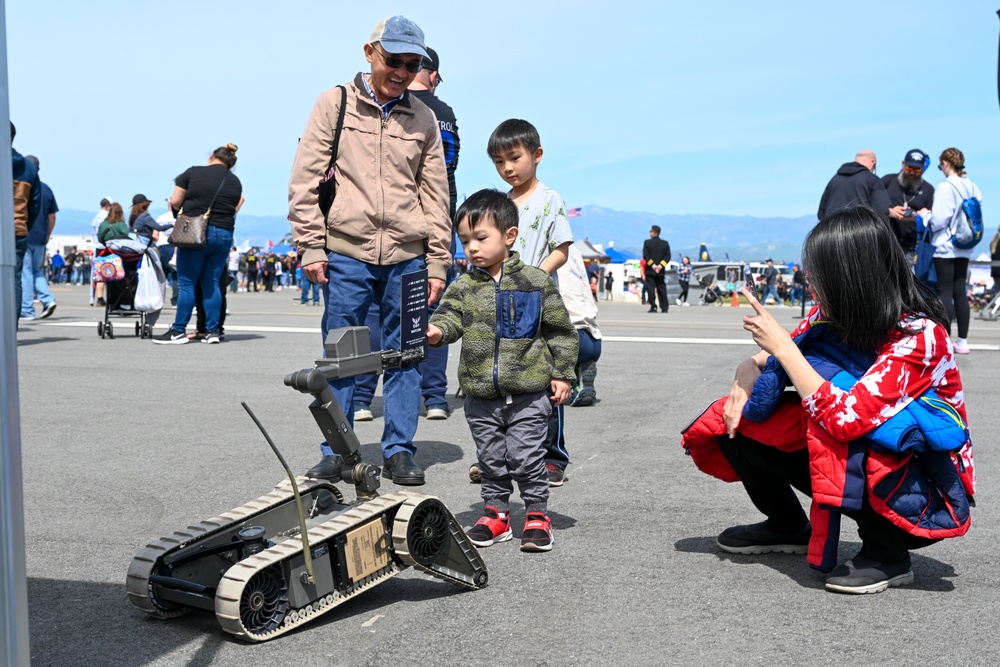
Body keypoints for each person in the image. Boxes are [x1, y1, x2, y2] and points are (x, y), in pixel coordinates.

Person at [682, 206, 974, 595]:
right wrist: (745, 370)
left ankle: (888, 553)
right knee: (733, 422)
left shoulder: (919, 337)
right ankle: (787, 525)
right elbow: (774, 357)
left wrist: (784, 350)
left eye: (819, 277)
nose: (812, 286)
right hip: (864, 454)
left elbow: (847, 418)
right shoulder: (833, 315)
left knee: (873, 438)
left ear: (854, 279)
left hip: (925, 491)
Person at [288, 16, 450, 486]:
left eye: (411, 63)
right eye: (392, 60)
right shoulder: (333, 102)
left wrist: (438, 259)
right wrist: (311, 247)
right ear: (369, 52)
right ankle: (336, 452)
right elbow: (305, 179)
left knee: (407, 355)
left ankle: (400, 448)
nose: (401, 71)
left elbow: (435, 193)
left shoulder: (423, 118)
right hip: (346, 251)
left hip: (409, 254)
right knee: (340, 357)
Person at [426, 190, 578, 552]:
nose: (472, 248)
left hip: (528, 394)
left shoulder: (535, 282)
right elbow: (449, 318)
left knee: (526, 458)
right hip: (481, 397)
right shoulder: (463, 286)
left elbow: (560, 331)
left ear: (509, 236)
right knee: (491, 459)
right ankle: (495, 513)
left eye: (481, 238)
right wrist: (437, 331)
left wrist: (563, 373)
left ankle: (537, 514)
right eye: (465, 241)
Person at [488, 118, 575, 486]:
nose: (508, 168)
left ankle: (553, 456)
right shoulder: (498, 204)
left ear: (536, 155)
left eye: (514, 157)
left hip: (538, 302)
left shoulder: (549, 198)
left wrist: (537, 275)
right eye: (499, 161)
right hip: (503, 302)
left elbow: (563, 248)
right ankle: (508, 453)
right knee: (509, 378)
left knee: (546, 378)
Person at [154, 143, 244, 345]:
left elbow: (176, 201)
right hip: (224, 234)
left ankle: (178, 330)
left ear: (212, 156)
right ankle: (213, 331)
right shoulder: (234, 181)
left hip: (195, 232)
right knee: (212, 282)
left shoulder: (193, 172)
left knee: (187, 282)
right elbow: (235, 205)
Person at [923, 147, 981, 355]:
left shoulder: (945, 187)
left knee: (945, 292)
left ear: (946, 164)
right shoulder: (973, 186)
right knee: (960, 292)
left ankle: (946, 340)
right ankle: (963, 341)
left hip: (946, 246)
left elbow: (939, 220)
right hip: (965, 246)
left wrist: (925, 216)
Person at [557, 245, 603, 406]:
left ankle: (571, 386)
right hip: (593, 337)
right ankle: (580, 373)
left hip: (571, 339)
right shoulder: (575, 251)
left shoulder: (551, 251)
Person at [19, 155, 58, 321]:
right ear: (39, 169)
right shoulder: (46, 189)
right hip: (41, 237)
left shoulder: (22, 187)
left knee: (25, 272)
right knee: (36, 270)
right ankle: (48, 299)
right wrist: (48, 233)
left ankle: (27, 309)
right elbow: (52, 216)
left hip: (25, 233)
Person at [11, 122, 41, 324]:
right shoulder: (29, 168)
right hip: (18, 230)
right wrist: (24, 226)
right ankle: (10, 330)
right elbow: (35, 205)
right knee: (14, 280)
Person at [883, 149, 935, 266]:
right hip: (885, 243)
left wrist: (915, 217)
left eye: (917, 169)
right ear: (903, 163)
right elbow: (872, 204)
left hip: (912, 247)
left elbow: (934, 220)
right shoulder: (887, 181)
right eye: (909, 168)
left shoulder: (928, 190)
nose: (912, 172)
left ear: (923, 168)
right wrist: (889, 211)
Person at [816, 150, 891, 221]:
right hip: (860, 229)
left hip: (832, 230)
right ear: (872, 162)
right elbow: (882, 209)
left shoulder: (833, 180)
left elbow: (821, 213)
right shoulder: (872, 179)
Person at [642, 225, 670, 313]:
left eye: (651, 231)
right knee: (662, 288)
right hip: (660, 271)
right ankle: (664, 307)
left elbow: (646, 256)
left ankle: (653, 306)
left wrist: (653, 266)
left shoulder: (647, 243)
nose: (650, 233)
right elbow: (667, 257)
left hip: (650, 270)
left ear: (654, 233)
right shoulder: (665, 243)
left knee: (651, 289)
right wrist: (660, 266)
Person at [90, 196, 112, 306]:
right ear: (108, 206)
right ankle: (108, 297)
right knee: (109, 272)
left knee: (99, 274)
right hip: (105, 247)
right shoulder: (106, 218)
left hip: (97, 247)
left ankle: (98, 297)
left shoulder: (95, 217)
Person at [155, 204, 178, 306]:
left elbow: (154, 235)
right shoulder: (179, 217)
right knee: (176, 275)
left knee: (160, 275)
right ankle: (175, 301)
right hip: (175, 246)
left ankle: (157, 300)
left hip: (162, 246)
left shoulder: (161, 218)